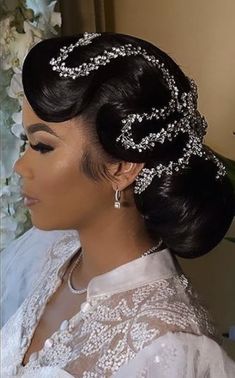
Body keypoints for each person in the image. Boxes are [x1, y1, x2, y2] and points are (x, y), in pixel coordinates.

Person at [1, 31, 235, 377]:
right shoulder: (46, 252)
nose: (21, 166)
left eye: (42, 146)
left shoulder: (170, 351)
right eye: (26, 142)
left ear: (121, 167)